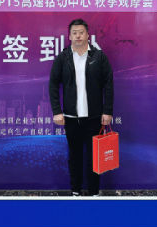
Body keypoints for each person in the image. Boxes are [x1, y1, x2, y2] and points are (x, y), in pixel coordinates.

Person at [48, 18, 114, 197]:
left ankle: (94, 192)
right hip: (71, 118)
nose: (78, 36)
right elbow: (53, 84)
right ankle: (75, 191)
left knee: (95, 157)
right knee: (74, 156)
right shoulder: (63, 58)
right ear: (69, 36)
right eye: (74, 33)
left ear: (88, 35)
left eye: (81, 32)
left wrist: (107, 111)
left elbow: (108, 84)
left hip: (94, 117)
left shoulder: (99, 57)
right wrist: (57, 111)